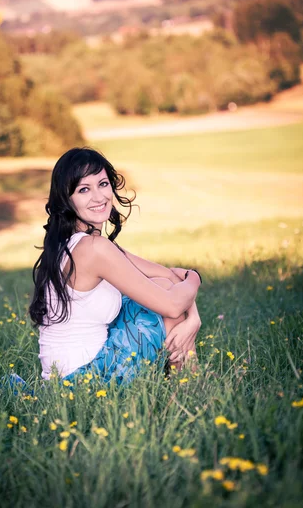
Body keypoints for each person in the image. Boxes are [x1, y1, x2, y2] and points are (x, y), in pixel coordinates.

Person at [29, 147, 202, 385]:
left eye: (102, 184)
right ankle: (189, 387)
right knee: (164, 303)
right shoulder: (93, 249)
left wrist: (193, 317)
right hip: (82, 383)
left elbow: (167, 277)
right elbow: (172, 305)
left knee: (162, 287)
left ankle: (185, 384)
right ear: (66, 200)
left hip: (66, 379)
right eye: (83, 190)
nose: (99, 197)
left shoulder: (75, 244)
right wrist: (195, 278)